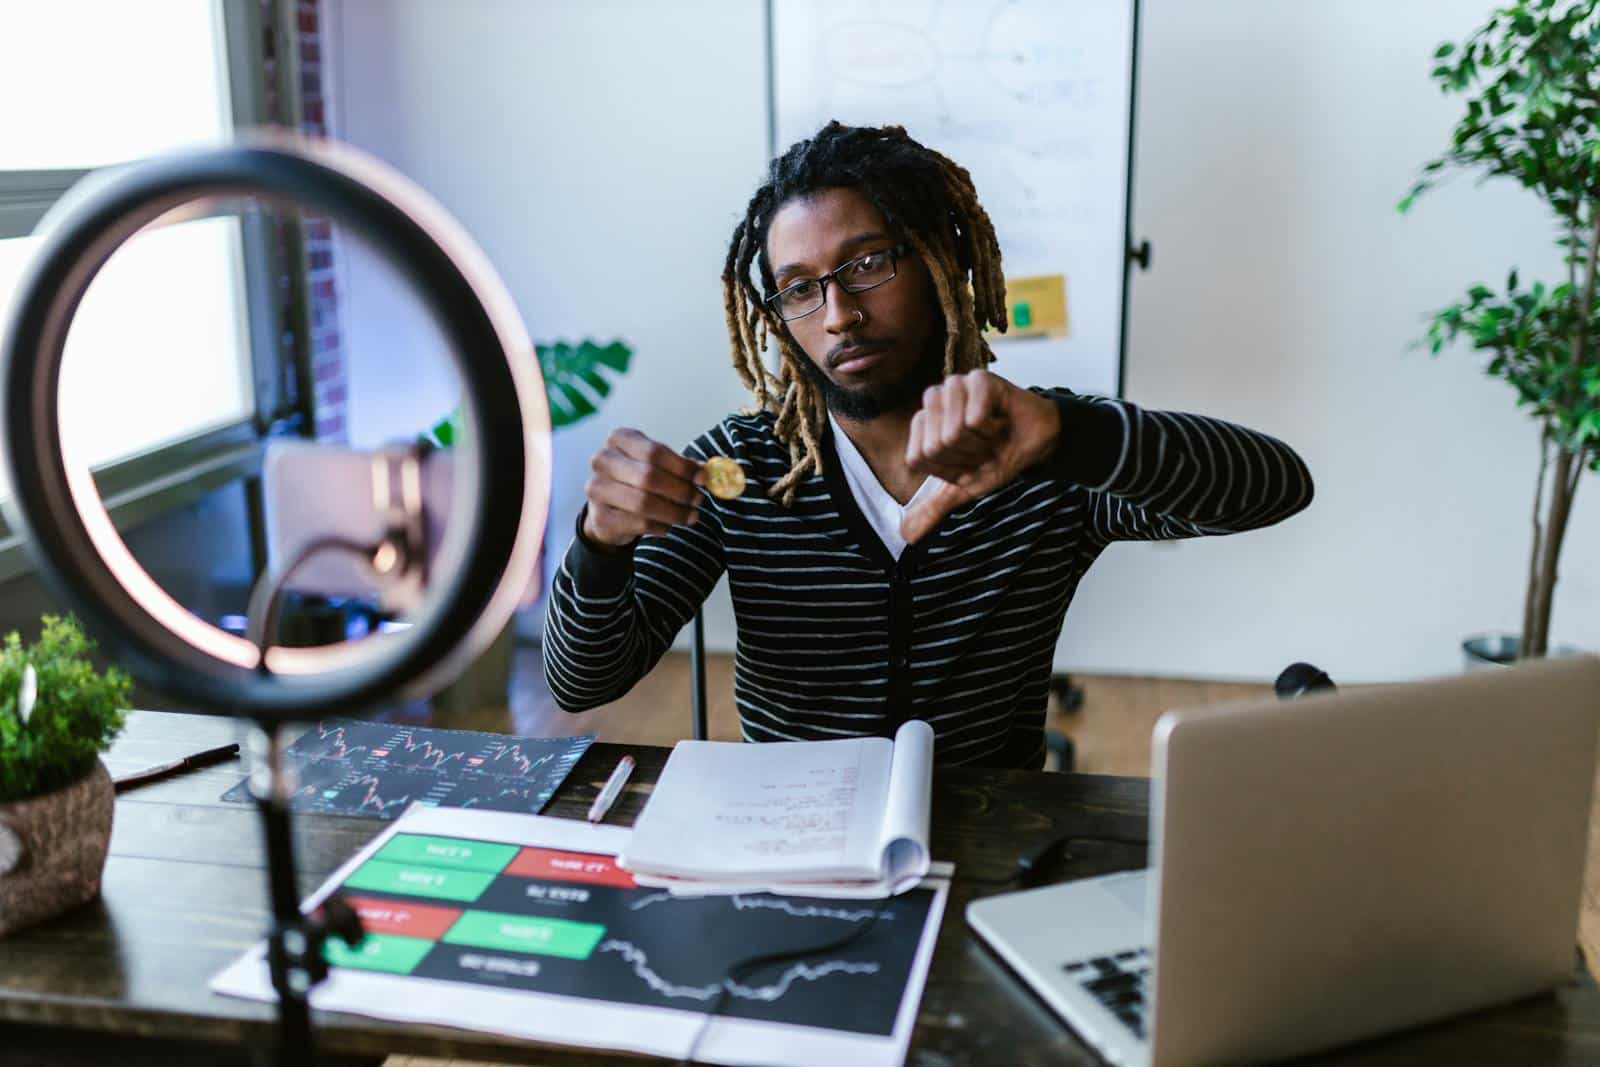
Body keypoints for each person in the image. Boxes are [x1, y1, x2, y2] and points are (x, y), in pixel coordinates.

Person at [542, 122, 1312, 769]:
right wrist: (600, 543)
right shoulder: (747, 468)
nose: (838, 313)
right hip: (790, 844)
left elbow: (1276, 487)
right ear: (778, 316)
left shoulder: (1038, 446)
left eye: (868, 263)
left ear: (939, 259)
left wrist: (1073, 436)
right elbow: (582, 680)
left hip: (992, 842)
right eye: (800, 287)